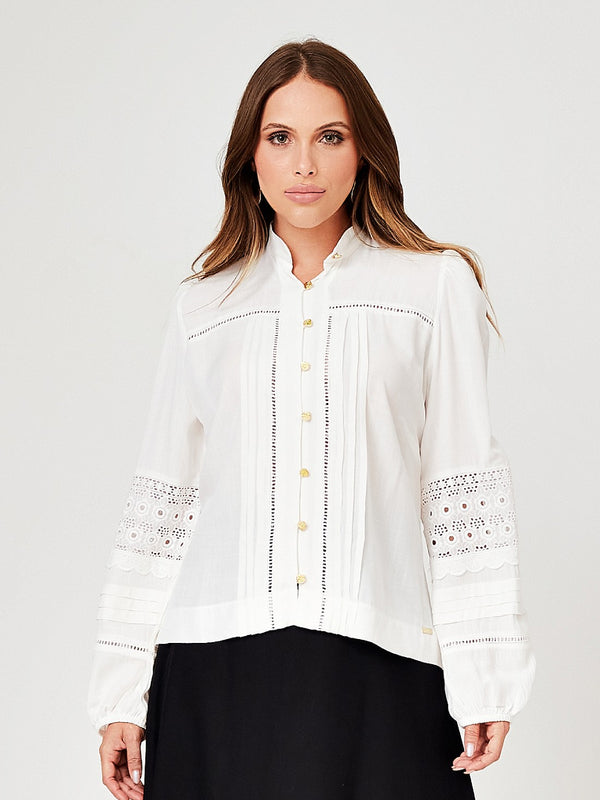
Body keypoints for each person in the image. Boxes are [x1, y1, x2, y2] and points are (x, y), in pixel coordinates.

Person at [88, 37, 536, 800]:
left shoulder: (433, 289)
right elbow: (164, 504)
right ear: (250, 156)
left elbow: (461, 488)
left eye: (329, 137)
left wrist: (485, 669)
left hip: (380, 661)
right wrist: (120, 694)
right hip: (211, 670)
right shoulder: (203, 307)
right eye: (279, 138)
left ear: (363, 152)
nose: (304, 164)